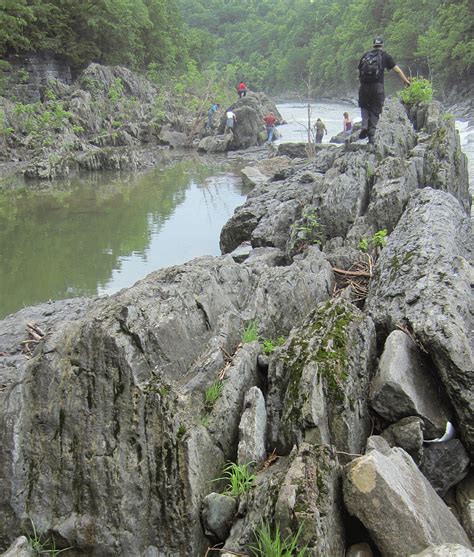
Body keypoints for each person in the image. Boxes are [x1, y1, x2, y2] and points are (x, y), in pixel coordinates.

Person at [358, 36, 410, 144]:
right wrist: (405, 80)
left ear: (373, 45)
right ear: (382, 45)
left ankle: (364, 126)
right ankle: (371, 137)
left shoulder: (365, 56)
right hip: (377, 88)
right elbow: (397, 70)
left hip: (364, 87)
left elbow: (359, 69)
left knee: (364, 107)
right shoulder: (385, 56)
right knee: (375, 110)